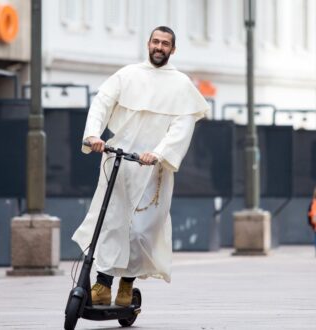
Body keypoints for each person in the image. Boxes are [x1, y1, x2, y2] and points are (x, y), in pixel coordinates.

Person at [72, 26, 208, 306]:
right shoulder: (127, 75)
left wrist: (158, 154)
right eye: (156, 41)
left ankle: (126, 285)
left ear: (173, 49)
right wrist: (93, 135)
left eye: (165, 43)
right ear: (148, 44)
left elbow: (181, 128)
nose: (159, 47)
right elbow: (102, 103)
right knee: (111, 222)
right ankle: (103, 282)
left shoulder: (181, 84)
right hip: (118, 163)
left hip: (152, 169)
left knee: (141, 230)